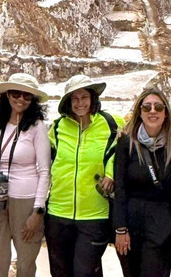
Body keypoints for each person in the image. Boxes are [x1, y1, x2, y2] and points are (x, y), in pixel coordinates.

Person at [46, 73, 124, 277]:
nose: (80, 103)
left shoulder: (110, 123)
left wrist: (110, 174)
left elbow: (120, 152)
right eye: (74, 98)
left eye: (84, 97)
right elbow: (45, 160)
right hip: (57, 212)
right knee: (60, 272)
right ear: (68, 102)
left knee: (85, 271)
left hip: (95, 214)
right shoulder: (57, 127)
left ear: (93, 99)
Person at [0, 72, 51, 277]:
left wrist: (37, 212)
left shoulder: (37, 127)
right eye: (16, 93)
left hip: (26, 200)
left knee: (25, 264)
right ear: (7, 95)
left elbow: (44, 171)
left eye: (27, 96)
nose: (21, 99)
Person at [113, 87, 171, 277]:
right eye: (147, 107)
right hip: (130, 225)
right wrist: (120, 229)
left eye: (158, 107)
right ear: (139, 112)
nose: (152, 111)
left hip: (160, 225)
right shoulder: (127, 142)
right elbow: (120, 187)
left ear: (166, 113)